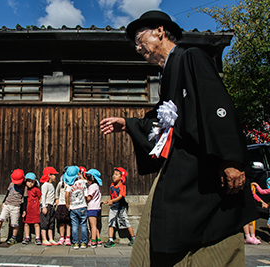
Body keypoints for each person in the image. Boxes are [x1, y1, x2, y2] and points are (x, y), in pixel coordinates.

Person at [100, 10, 258, 266]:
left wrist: (231, 159)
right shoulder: (167, 75)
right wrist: (128, 124)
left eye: (140, 39)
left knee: (214, 231)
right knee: (165, 220)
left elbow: (216, 104)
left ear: (160, 31)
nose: (138, 47)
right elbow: (161, 121)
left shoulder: (190, 57)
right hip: (181, 165)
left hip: (206, 163)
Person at [103, 167, 135, 248]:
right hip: (113, 207)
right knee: (111, 222)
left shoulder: (122, 186)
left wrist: (112, 201)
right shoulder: (112, 185)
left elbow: (120, 196)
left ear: (121, 177)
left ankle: (133, 237)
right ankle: (110, 239)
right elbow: (111, 195)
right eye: (114, 174)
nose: (114, 176)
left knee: (125, 221)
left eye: (117, 175)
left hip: (121, 207)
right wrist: (107, 201)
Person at [0, 168, 28, 245]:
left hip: (16, 207)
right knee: (1, 219)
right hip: (7, 204)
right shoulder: (11, 184)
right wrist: (3, 202)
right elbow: (7, 194)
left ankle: (13, 237)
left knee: (14, 224)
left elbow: (25, 199)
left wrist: (24, 210)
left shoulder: (24, 187)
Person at [65, 165, 88, 250]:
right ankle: (83, 242)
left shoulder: (69, 184)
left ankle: (75, 243)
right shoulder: (83, 182)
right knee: (83, 224)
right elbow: (86, 194)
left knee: (74, 225)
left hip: (73, 207)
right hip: (82, 206)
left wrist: (67, 204)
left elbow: (67, 194)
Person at [40, 166, 59, 246]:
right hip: (47, 205)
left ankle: (51, 238)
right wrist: (43, 206)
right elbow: (43, 196)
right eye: (54, 175)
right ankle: (44, 239)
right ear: (49, 176)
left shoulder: (52, 185)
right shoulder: (45, 185)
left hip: (52, 206)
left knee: (51, 223)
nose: (55, 177)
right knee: (44, 223)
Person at [22, 172, 42, 245]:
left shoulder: (36, 190)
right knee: (26, 223)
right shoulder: (25, 189)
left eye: (32, 182)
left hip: (35, 209)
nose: (30, 183)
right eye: (28, 181)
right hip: (27, 209)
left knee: (36, 224)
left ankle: (37, 237)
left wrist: (39, 205)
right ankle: (27, 237)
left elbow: (40, 197)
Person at [85, 168, 103, 248]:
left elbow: (89, 198)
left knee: (92, 225)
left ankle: (93, 240)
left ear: (92, 178)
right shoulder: (97, 186)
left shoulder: (92, 186)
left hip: (92, 207)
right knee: (95, 225)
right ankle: (98, 239)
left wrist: (84, 196)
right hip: (96, 207)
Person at [55, 167, 72, 246]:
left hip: (69, 205)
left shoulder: (72, 184)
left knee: (68, 223)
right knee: (61, 222)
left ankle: (68, 237)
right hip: (61, 204)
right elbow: (57, 191)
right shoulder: (60, 183)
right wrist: (57, 198)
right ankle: (62, 237)